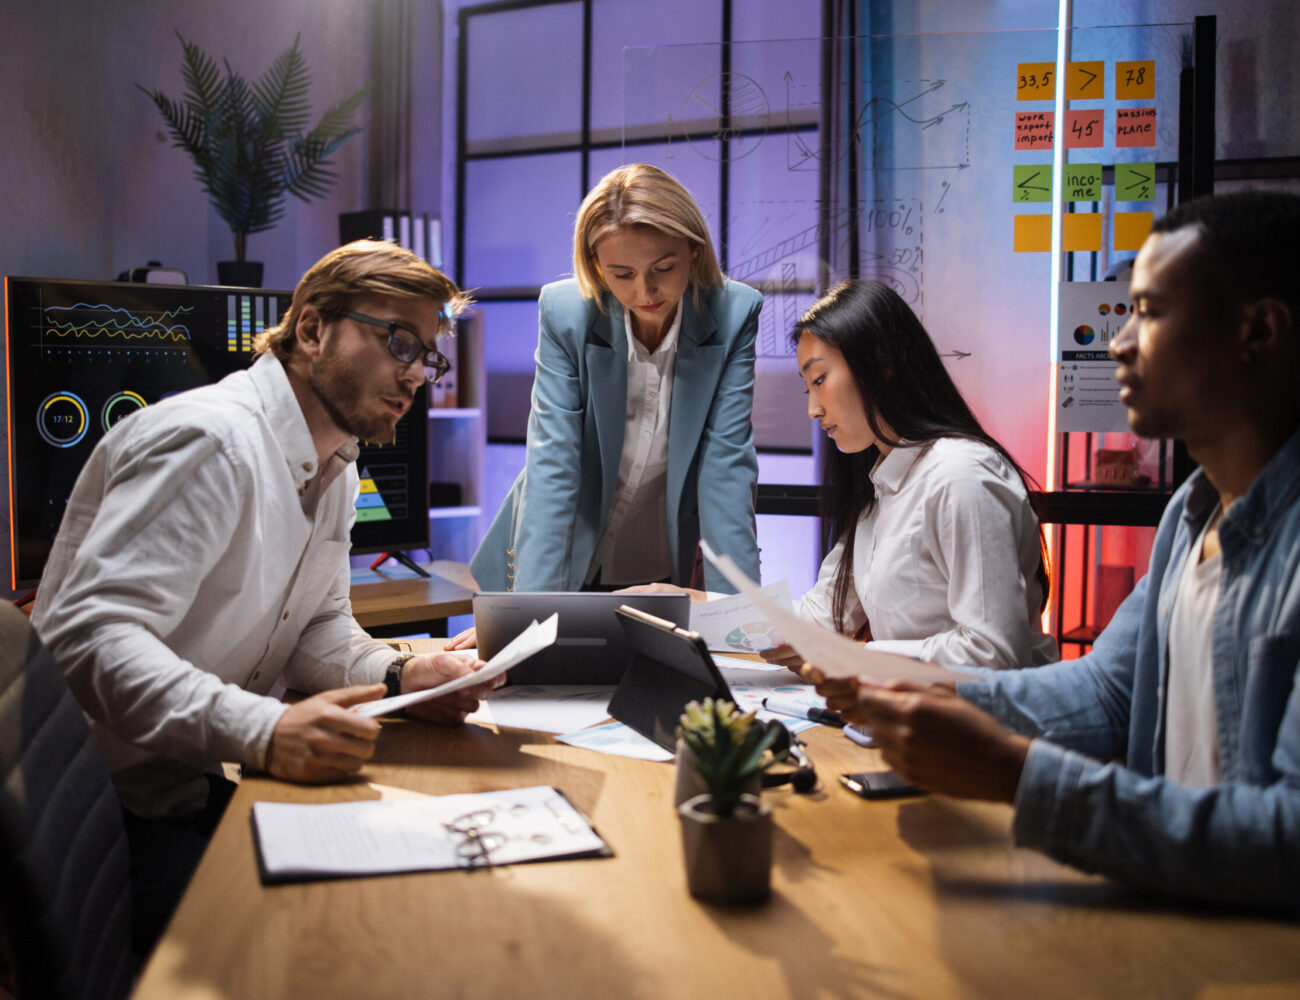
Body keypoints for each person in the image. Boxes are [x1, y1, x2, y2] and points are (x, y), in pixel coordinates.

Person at [809, 190, 1300, 911]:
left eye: (1151, 312)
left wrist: (1018, 774)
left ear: (1256, 332)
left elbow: (1286, 841)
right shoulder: (1190, 518)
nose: (1118, 342)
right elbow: (1106, 690)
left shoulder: (957, 473)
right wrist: (928, 693)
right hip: (1180, 912)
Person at [31, 240, 501, 951]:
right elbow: (88, 638)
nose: (417, 375)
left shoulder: (335, 463)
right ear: (312, 329)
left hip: (181, 787)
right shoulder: (210, 443)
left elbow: (315, 628)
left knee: (423, 899)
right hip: (102, 820)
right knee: (346, 942)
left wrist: (402, 672)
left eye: (427, 356)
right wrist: (265, 730)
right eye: (399, 341)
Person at [638, 280, 1057, 671]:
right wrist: (687, 606)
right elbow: (819, 619)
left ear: (881, 364)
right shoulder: (883, 486)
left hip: (995, 732)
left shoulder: (960, 476)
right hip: (919, 720)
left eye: (820, 380)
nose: (813, 409)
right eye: (808, 388)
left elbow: (992, 654)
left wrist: (854, 657)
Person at [468, 163, 763, 596]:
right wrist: (526, 618)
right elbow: (554, 466)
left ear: (694, 250)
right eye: (622, 274)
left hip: (656, 560)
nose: (645, 292)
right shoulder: (565, 314)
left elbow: (727, 473)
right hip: (558, 554)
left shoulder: (734, 316)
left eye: (664, 268)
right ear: (595, 264)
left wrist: (741, 624)